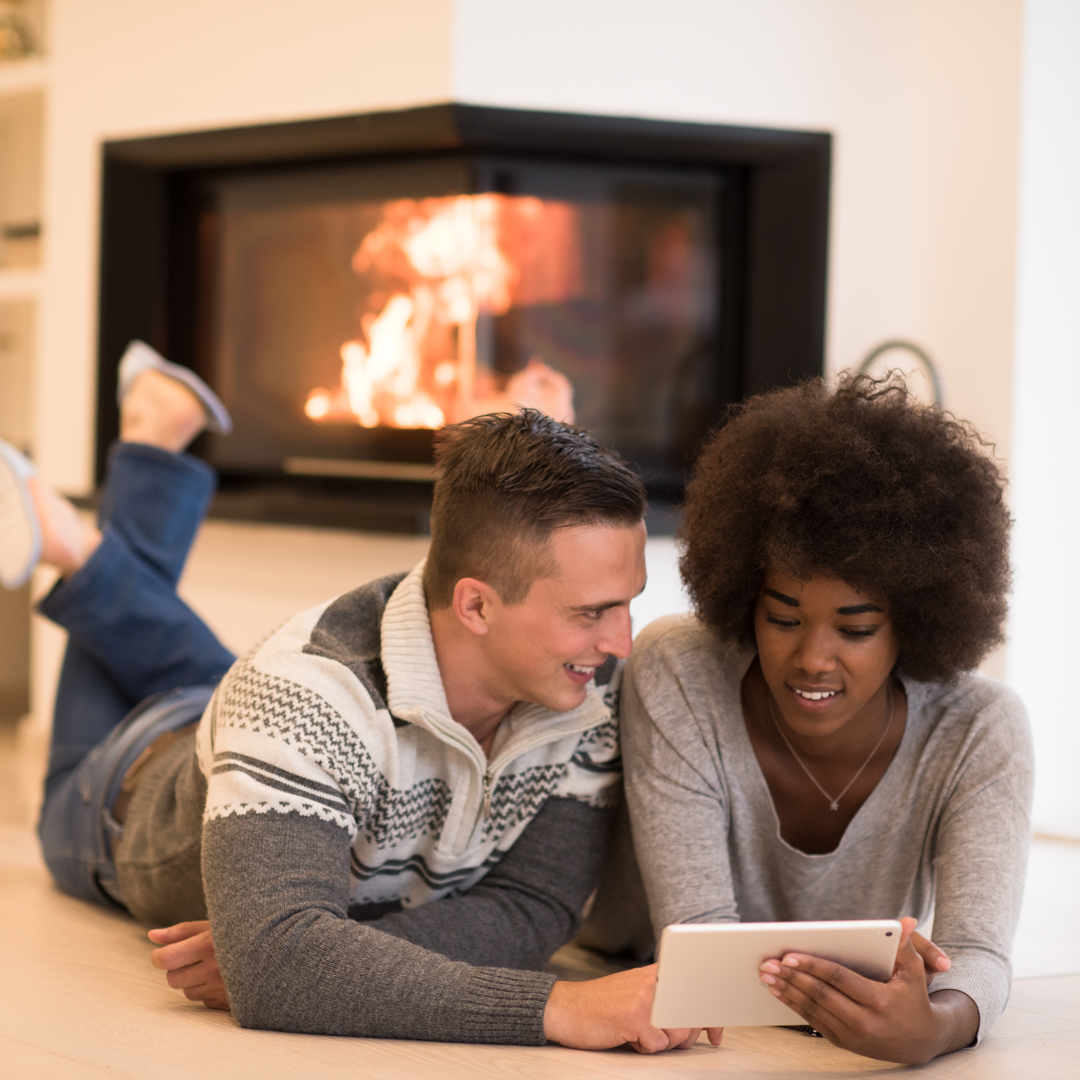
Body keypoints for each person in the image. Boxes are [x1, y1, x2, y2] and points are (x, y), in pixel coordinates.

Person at [0, 342, 699, 1053]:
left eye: (626, 605)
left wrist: (324, 951)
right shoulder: (299, 694)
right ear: (476, 607)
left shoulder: (588, 688)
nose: (623, 644)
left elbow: (530, 909)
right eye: (590, 613)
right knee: (241, 702)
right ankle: (79, 535)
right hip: (119, 792)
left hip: (269, 730)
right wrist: (554, 1008)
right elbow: (277, 968)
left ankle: (123, 480)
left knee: (263, 694)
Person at [614, 375, 1032, 1064]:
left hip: (822, 1042)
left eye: (857, 629)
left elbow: (977, 958)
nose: (811, 658)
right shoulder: (681, 669)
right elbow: (697, 948)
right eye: (782, 618)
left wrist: (938, 1024)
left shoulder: (979, 729)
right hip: (650, 1024)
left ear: (914, 625)